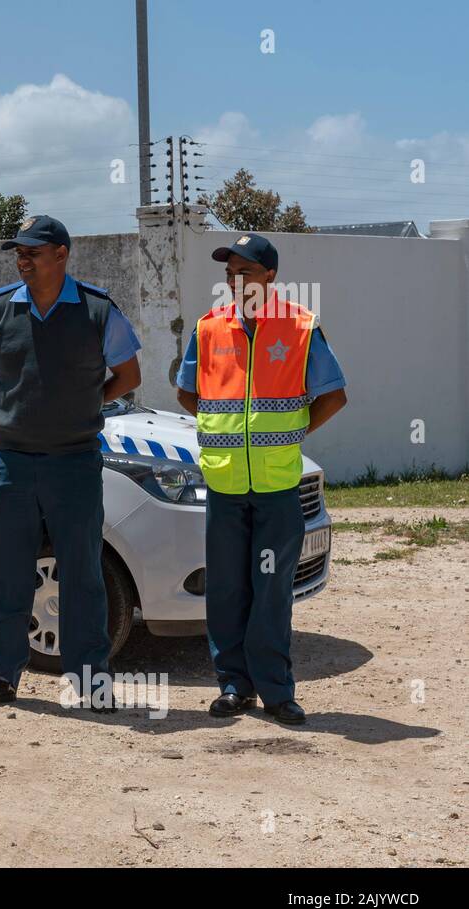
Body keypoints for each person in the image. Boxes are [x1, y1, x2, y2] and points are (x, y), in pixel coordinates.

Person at [0, 215, 142, 711]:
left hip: (74, 463)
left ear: (61, 254)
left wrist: (86, 404)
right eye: (18, 252)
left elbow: (127, 373)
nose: (23, 260)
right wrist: (13, 402)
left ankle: (90, 681)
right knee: (4, 572)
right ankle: (2, 676)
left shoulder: (97, 311)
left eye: (33, 252)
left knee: (82, 573)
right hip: (12, 462)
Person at [175, 233, 347, 725]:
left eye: (245, 271)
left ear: (269, 276)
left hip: (276, 488)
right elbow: (189, 393)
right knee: (228, 590)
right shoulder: (209, 329)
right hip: (225, 487)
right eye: (230, 273)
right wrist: (218, 424)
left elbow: (333, 395)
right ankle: (233, 686)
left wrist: (294, 431)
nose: (235, 280)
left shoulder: (300, 326)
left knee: (270, 590)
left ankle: (276, 691)